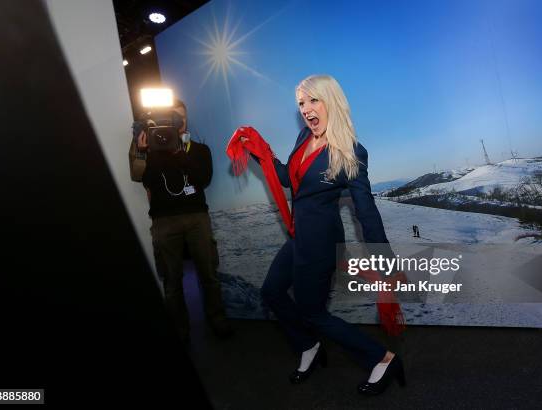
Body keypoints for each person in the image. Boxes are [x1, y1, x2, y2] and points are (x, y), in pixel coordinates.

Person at [243, 75, 405, 396]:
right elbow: (289, 180)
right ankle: (309, 345)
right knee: (272, 291)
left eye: (312, 100)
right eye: (301, 103)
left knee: (312, 312)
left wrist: (386, 264)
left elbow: (366, 212)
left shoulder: (351, 152)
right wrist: (260, 151)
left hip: (321, 244)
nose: (306, 109)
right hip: (299, 237)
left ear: (330, 100)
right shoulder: (304, 136)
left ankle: (382, 359)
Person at [138, 99, 233, 344]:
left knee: (208, 274)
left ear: (186, 120)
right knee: (172, 281)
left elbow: (204, 178)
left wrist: (180, 153)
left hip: (196, 217)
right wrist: (147, 152)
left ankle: (217, 318)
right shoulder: (154, 153)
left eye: (182, 117)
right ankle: (180, 330)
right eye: (173, 117)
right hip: (163, 221)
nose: (178, 122)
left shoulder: (200, 150)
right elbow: (147, 180)